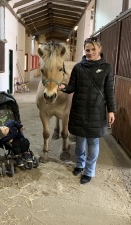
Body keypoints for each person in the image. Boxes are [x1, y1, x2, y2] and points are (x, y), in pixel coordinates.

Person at [58, 37, 116, 184]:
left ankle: (89, 171)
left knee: (93, 142)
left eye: (93, 49)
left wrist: (111, 110)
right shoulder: (78, 67)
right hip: (79, 109)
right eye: (87, 50)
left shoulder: (107, 68)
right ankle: (79, 164)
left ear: (99, 49)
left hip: (96, 110)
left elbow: (109, 91)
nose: (90, 53)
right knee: (79, 141)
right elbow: (72, 87)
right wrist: (63, 87)